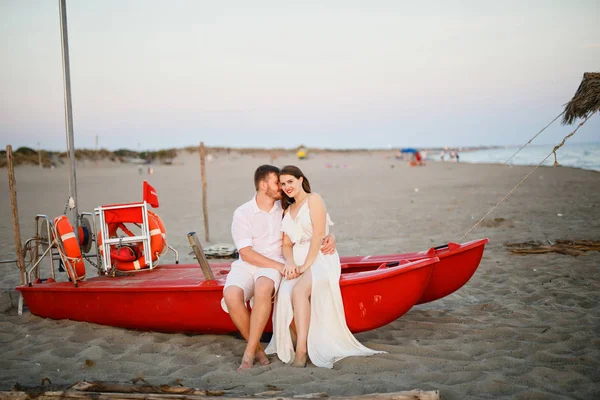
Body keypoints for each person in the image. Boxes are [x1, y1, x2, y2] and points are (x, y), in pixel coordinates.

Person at [265, 165, 384, 368]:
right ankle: (295, 341)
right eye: (283, 184)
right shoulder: (287, 209)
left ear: (301, 180)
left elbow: (319, 234)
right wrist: (292, 262)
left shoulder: (314, 200)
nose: (286, 187)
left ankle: (302, 350)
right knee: (284, 293)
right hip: (297, 258)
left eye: (290, 182)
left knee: (300, 291)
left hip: (320, 256)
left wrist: (305, 266)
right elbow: (286, 244)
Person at [222, 165, 336, 371]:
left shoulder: (283, 208)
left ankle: (248, 354)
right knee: (230, 294)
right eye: (278, 183)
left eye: (285, 183)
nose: (282, 188)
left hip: (274, 264)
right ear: (263, 185)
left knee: (263, 287)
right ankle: (256, 348)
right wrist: (282, 265)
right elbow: (246, 253)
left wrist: (330, 236)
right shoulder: (243, 212)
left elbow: (310, 226)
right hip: (250, 263)